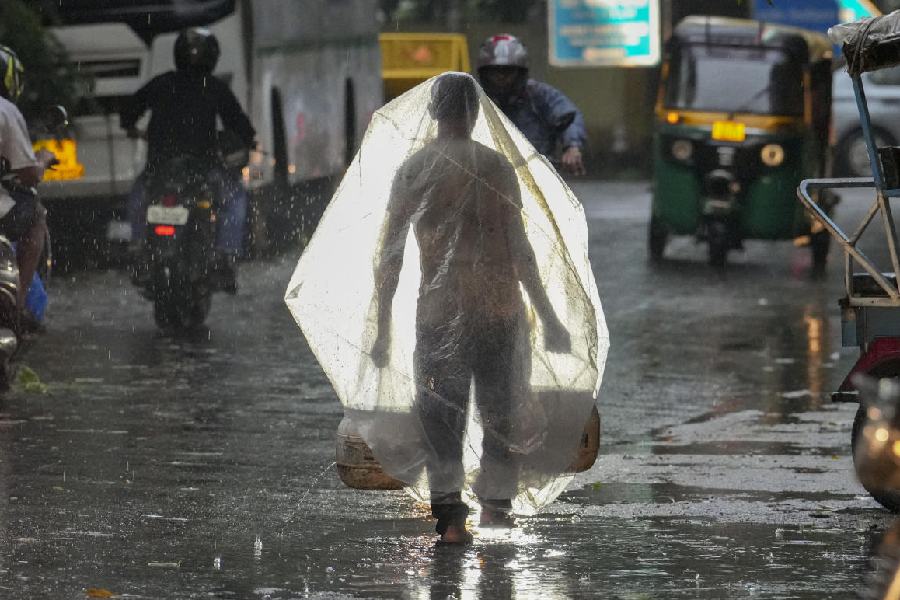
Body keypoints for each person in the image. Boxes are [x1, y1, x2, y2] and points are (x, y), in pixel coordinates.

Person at [370, 73, 571, 544]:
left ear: (433, 111)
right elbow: (519, 249)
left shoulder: (415, 169)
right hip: (499, 310)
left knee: (441, 417)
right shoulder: (496, 167)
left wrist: (381, 329)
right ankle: (496, 508)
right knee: (501, 412)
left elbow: (390, 256)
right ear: (477, 112)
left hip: (440, 314)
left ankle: (452, 521)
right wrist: (549, 317)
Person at [120, 27, 255, 293]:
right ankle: (226, 255)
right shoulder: (214, 87)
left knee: (138, 196)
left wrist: (133, 128)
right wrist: (248, 141)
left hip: (160, 170)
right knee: (235, 197)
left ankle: (138, 247)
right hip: (202, 170)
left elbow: (129, 111)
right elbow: (241, 126)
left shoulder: (161, 83)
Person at [476, 34, 587, 176]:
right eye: (495, 71)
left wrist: (572, 146)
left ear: (520, 73)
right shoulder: (473, 99)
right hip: (483, 178)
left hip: (536, 176)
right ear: (484, 74)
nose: (501, 77)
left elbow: (569, 116)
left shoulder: (540, 95)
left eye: (508, 71)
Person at [0, 45, 54, 329]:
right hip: (4, 210)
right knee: (36, 215)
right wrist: (43, 159)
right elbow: (30, 175)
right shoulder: (6, 111)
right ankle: (18, 303)